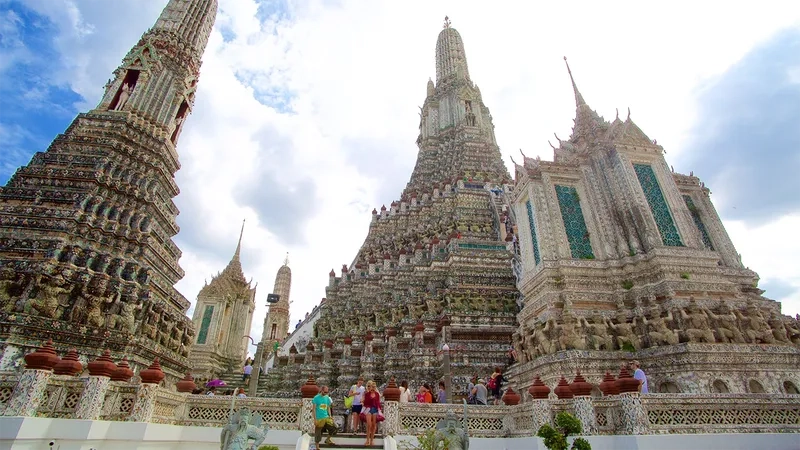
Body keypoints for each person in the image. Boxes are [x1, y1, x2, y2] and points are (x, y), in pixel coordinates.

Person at [361, 380, 381, 446]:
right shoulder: (366, 394)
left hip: (375, 410)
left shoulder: (377, 394)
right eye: (370, 386)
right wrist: (362, 402)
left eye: (373, 386)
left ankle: (372, 440)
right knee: (369, 424)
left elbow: (378, 402)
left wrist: (379, 411)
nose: (372, 388)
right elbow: (363, 400)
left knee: (373, 426)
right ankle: (367, 440)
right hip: (368, 409)